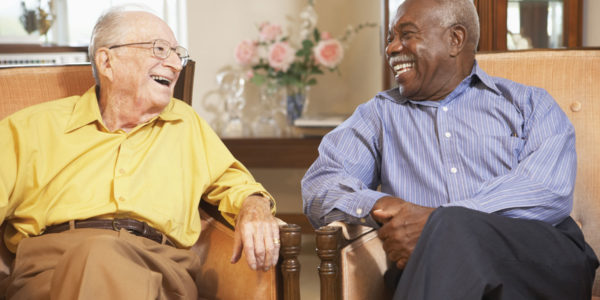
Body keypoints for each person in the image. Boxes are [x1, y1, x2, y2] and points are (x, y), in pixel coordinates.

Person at [302, 0, 599, 298]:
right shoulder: (378, 115)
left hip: (539, 258)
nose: (392, 48)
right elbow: (320, 184)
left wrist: (437, 224)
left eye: (406, 34)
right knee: (447, 250)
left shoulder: (529, 104)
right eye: (390, 38)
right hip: (437, 269)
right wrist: (380, 205)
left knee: (449, 232)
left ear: (455, 39)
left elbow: (546, 189)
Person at [0, 7, 280, 299]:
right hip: (49, 271)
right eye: (159, 49)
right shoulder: (30, 127)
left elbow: (236, 184)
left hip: (158, 268)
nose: (175, 63)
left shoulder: (185, 123)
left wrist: (254, 206)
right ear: (107, 61)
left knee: (100, 254)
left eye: (176, 53)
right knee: (96, 254)